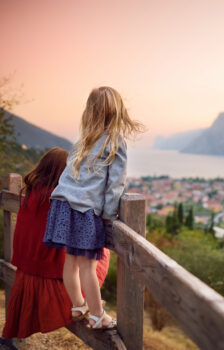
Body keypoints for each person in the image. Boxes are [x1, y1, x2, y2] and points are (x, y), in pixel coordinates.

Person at [43, 86, 144, 329]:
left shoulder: (81, 141)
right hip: (85, 209)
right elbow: (115, 184)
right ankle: (98, 315)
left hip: (62, 205)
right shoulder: (115, 142)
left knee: (70, 261)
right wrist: (109, 216)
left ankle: (78, 305)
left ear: (90, 111)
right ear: (117, 111)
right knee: (88, 265)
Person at [2, 148, 111, 339]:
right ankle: (87, 303)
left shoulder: (30, 193)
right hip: (51, 274)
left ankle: (86, 303)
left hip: (28, 267)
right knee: (99, 254)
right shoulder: (60, 199)